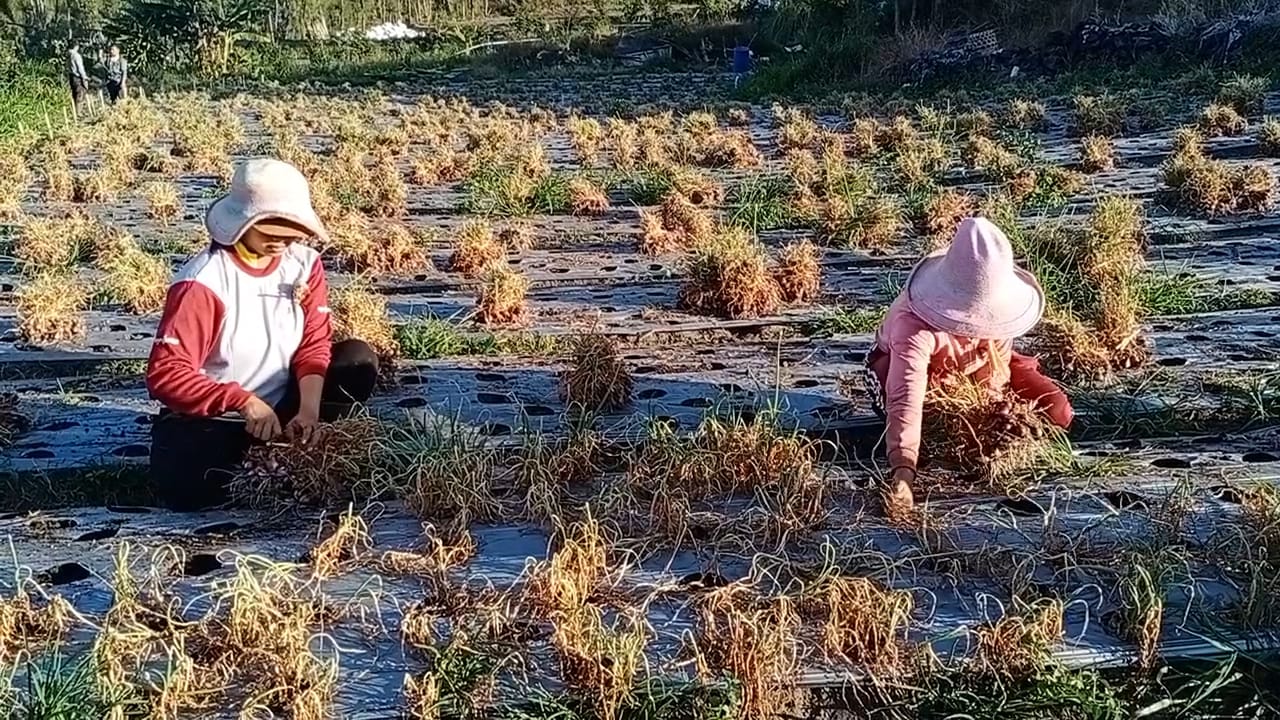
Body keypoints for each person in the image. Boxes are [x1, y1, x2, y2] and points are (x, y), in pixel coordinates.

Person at [146, 158, 379, 511]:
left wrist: (309, 411)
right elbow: (166, 375)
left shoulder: (304, 264)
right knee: (188, 489)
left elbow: (314, 343)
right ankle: (257, 456)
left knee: (356, 360)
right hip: (219, 414)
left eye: (291, 234)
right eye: (270, 234)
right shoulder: (203, 283)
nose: (281, 244)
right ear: (241, 224)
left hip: (285, 400)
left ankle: (299, 438)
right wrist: (243, 402)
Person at [866, 217, 1073, 515]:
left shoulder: (999, 314)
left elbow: (997, 370)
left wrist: (992, 415)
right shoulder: (913, 326)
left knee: (1057, 411)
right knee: (934, 430)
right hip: (916, 374)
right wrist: (903, 471)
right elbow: (905, 398)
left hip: (979, 362)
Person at [67, 42, 88, 116]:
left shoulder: (68, 54)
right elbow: (80, 68)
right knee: (80, 93)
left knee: (74, 94)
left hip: (71, 76)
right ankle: (78, 112)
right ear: (76, 46)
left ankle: (75, 111)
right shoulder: (76, 55)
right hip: (77, 77)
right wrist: (84, 77)